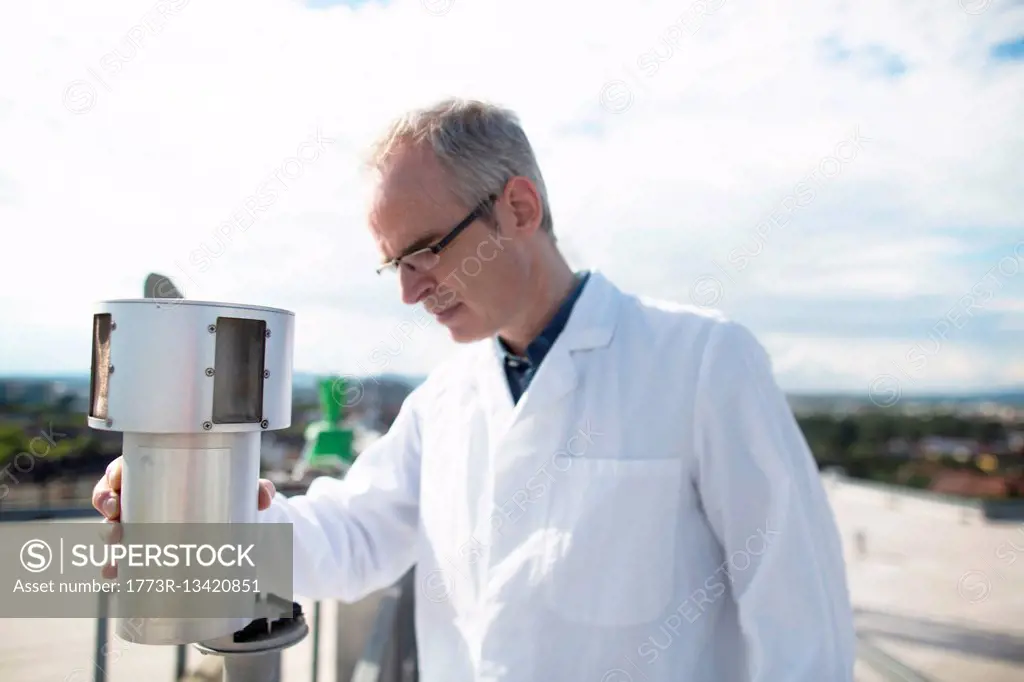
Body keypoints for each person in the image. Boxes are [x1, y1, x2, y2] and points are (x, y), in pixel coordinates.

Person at [93, 98, 856, 681]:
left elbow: (799, 618)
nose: (411, 292)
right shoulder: (443, 404)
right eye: (396, 264)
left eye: (424, 251)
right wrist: (199, 514)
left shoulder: (702, 363)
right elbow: (355, 538)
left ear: (518, 209)